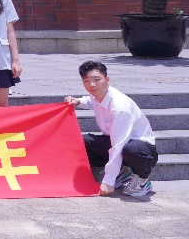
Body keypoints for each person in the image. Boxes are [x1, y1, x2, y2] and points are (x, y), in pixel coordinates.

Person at [66, 60, 158, 197]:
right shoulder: (98, 95)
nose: (92, 85)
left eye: (97, 80)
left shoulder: (120, 107)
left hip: (141, 149)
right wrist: (78, 101)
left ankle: (142, 180)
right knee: (82, 142)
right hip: (117, 141)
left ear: (107, 79)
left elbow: (118, 145)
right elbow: (90, 101)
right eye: (86, 81)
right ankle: (122, 174)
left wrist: (108, 181)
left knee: (130, 149)